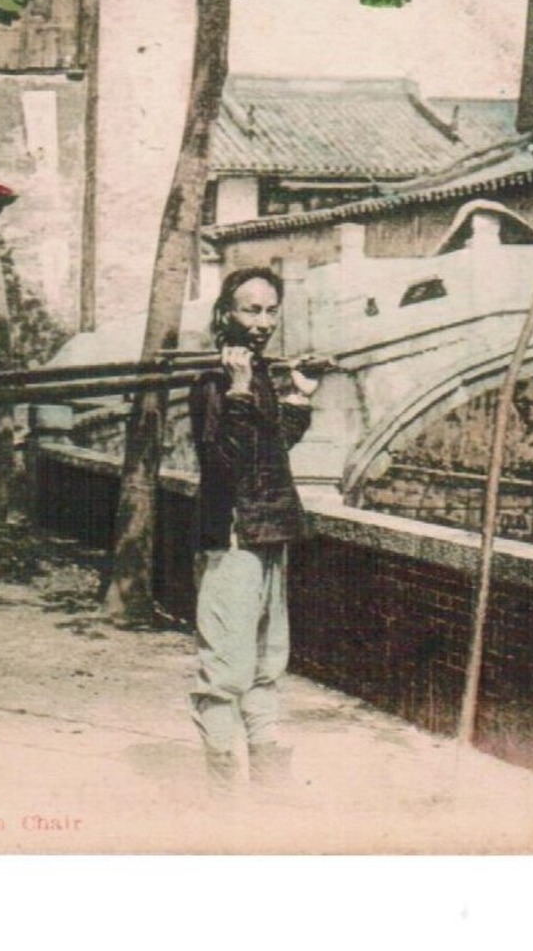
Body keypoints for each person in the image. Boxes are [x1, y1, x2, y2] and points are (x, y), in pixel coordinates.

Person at [187, 267, 324, 797]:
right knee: (225, 671)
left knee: (268, 664)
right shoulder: (212, 380)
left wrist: (298, 397)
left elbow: (269, 450)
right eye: (251, 310)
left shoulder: (256, 372)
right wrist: (240, 390)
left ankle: (270, 792)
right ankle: (222, 800)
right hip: (233, 534)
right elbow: (224, 462)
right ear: (226, 313)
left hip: (271, 528)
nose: (263, 322)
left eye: (271, 310)